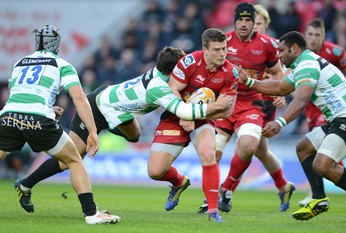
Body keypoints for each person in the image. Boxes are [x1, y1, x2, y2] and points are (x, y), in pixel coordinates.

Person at [13, 45, 234, 213]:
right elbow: (184, 112)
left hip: (117, 107)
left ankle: (114, 127)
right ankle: (25, 184)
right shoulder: (159, 88)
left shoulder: (161, 76)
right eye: (183, 66)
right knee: (70, 157)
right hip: (95, 107)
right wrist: (216, 106)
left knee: (136, 135)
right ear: (173, 69)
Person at [239, 31, 346, 227]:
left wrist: (280, 123)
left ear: (294, 48)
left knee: (322, 166)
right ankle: (319, 198)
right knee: (303, 147)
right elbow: (280, 87)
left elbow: (302, 99)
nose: (279, 56)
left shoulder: (307, 64)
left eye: (282, 51)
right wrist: (250, 82)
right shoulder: (303, 64)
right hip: (337, 120)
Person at [0, 25, 120, 224]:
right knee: (74, 161)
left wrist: (48, 107)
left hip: (8, 117)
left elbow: (20, 95)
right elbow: (79, 99)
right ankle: (91, 214)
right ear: (57, 43)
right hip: (38, 120)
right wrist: (92, 131)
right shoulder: (62, 64)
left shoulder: (19, 62)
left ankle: (25, 186)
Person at [147, 28, 239, 222]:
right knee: (155, 171)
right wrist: (183, 112)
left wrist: (194, 113)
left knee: (208, 154)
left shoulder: (231, 71)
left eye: (224, 48)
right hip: (175, 116)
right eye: (217, 49)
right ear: (205, 50)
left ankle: (213, 210)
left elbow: (226, 110)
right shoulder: (188, 62)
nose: (222, 53)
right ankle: (179, 182)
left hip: (204, 119)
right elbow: (172, 89)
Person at [212, 2, 295, 214]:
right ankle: (282, 186)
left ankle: (227, 190)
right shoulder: (225, 42)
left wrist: (280, 93)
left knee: (252, 147)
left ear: (264, 24)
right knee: (258, 150)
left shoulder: (270, 45)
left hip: (259, 102)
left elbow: (281, 74)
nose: (250, 25)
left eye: (255, 22)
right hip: (227, 103)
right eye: (244, 20)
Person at [299, 18, 346, 209]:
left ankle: (320, 193)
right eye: (310, 34)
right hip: (311, 106)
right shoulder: (301, 55)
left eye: (317, 35)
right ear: (305, 35)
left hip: (332, 108)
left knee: (318, 149)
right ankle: (323, 190)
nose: (313, 38)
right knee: (313, 149)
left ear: (324, 36)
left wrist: (337, 91)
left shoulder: (335, 52)